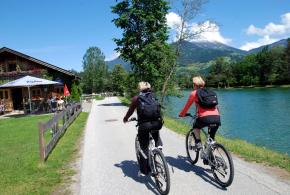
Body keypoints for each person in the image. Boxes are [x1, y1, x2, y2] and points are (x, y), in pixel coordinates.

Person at [123, 81, 163, 176]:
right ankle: (159, 147)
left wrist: (125, 118)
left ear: (139, 89)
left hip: (144, 125)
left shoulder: (137, 98)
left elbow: (130, 111)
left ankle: (144, 171)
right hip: (157, 123)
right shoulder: (154, 96)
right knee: (155, 132)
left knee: (143, 147)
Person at [179, 76, 220, 150]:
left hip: (204, 118)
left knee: (196, 127)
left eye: (193, 84)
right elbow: (216, 106)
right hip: (217, 117)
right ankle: (211, 157)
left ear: (194, 85)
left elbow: (186, 106)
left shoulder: (194, 93)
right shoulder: (211, 92)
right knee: (211, 139)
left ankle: (198, 143)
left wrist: (181, 114)